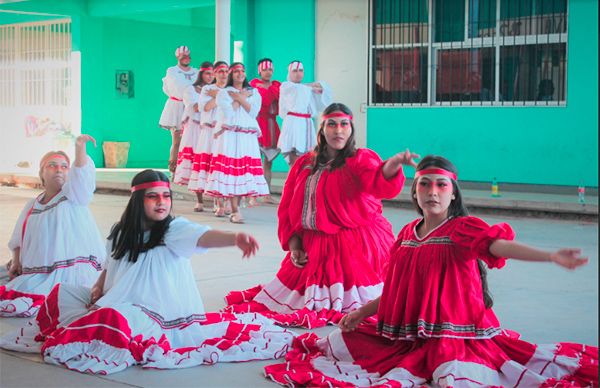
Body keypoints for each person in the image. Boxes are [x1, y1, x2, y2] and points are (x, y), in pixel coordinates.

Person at [264, 155, 598, 387]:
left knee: (453, 374)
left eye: (441, 185)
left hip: (454, 336)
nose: (433, 192)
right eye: (425, 185)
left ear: (453, 193)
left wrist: (549, 256)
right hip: (408, 335)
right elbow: (395, 289)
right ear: (414, 191)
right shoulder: (407, 234)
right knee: (339, 339)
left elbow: (499, 246)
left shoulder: (463, 228)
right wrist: (359, 314)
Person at [0, 170, 294, 374]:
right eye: (153, 197)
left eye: (166, 196)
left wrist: (233, 239)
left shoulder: (173, 230)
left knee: (111, 319)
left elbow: (202, 236)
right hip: (119, 299)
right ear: (138, 200)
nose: (162, 202)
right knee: (62, 293)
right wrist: (99, 287)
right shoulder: (120, 232)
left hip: (154, 312)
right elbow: (110, 263)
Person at [224, 103, 419, 328]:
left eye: (344, 124)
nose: (338, 130)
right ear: (322, 129)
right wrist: (295, 243)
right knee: (292, 300)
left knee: (363, 301)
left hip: (357, 245)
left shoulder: (359, 159)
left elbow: (377, 180)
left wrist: (392, 165)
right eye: (332, 124)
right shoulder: (305, 164)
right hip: (313, 244)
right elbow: (288, 206)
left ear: (351, 128)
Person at [0, 135, 105, 317]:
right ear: (41, 173)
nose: (59, 170)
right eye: (52, 166)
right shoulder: (32, 205)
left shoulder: (73, 195)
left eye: (64, 167)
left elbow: (82, 176)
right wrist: (16, 261)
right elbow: (18, 237)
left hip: (70, 272)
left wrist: (79, 147)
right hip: (36, 271)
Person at [205, 62, 269, 223]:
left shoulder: (253, 92)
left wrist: (240, 97)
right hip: (230, 135)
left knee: (243, 172)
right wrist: (239, 98)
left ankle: (237, 208)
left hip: (246, 136)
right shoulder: (224, 92)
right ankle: (234, 209)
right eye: (236, 71)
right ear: (231, 75)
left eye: (242, 71)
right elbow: (228, 113)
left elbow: (253, 111)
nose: (240, 74)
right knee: (233, 172)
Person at [173, 61, 215, 211]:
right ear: (201, 74)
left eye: (212, 73)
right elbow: (195, 108)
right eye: (207, 73)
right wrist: (213, 98)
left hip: (211, 128)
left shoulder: (217, 90)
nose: (210, 76)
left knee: (212, 162)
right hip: (195, 129)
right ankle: (199, 200)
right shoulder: (190, 90)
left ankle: (218, 201)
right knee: (196, 164)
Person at [278, 60, 332, 166]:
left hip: (307, 123)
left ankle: (302, 181)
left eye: (301, 70)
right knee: (294, 158)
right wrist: (312, 88)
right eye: (295, 71)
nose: (298, 73)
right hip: (294, 124)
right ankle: (293, 181)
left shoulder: (305, 89)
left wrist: (312, 87)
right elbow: (299, 89)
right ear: (289, 73)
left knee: (308, 158)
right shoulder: (286, 86)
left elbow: (324, 88)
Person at [159, 46, 198, 174]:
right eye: (183, 56)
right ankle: (173, 169)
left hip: (191, 108)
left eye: (188, 56)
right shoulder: (172, 71)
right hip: (177, 107)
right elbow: (179, 87)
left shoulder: (196, 71)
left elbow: (200, 87)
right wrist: (192, 90)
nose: (186, 58)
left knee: (192, 140)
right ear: (177, 57)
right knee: (177, 140)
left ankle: (188, 170)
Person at [249, 58, 281, 205]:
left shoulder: (277, 86)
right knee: (253, 161)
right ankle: (252, 196)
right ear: (260, 70)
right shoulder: (253, 85)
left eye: (270, 70)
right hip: (257, 123)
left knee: (268, 163)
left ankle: (266, 194)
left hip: (271, 126)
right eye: (265, 69)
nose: (268, 72)